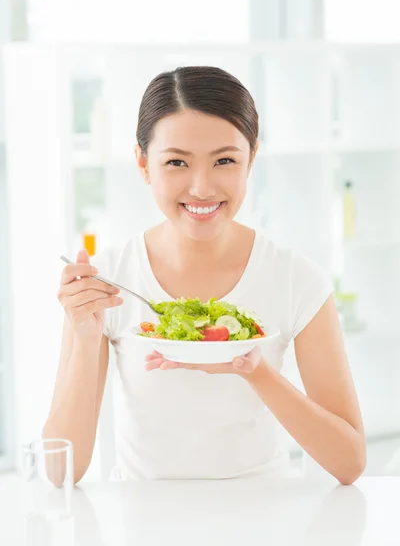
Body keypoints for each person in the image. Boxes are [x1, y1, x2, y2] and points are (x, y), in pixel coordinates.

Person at [44, 66, 366, 485]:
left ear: (251, 159)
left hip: (264, 516)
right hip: (145, 521)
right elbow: (58, 473)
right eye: (176, 161)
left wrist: (257, 372)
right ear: (143, 164)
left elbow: (349, 462)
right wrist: (86, 341)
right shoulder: (109, 280)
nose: (201, 187)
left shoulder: (294, 279)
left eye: (225, 160)